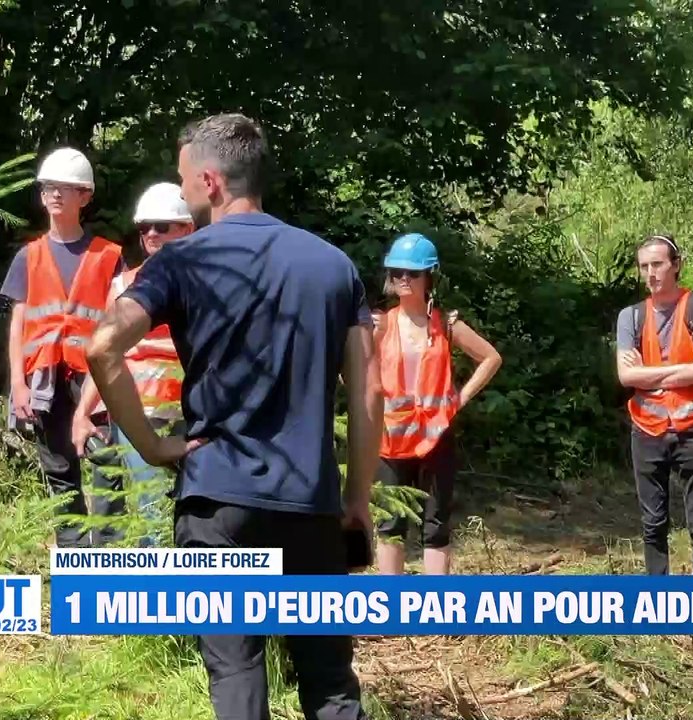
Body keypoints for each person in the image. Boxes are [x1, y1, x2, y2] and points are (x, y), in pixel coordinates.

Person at [84, 113, 379, 720]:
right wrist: (356, 497)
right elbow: (370, 393)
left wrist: (153, 446)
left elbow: (102, 346)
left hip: (217, 499)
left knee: (237, 674)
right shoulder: (332, 266)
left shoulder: (180, 262)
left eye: (185, 177)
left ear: (212, 182)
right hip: (310, 503)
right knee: (328, 678)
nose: (182, 188)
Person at [1, 146, 126, 548]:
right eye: (48, 188)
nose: (54, 195)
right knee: (58, 468)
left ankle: (108, 551)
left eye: (65, 188)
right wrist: (17, 384)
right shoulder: (29, 256)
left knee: (107, 462)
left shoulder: (109, 257)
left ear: (84, 196)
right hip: (45, 377)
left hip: (95, 378)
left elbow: (121, 322)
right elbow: (18, 325)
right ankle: (74, 551)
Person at [72, 182, 196, 546]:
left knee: (195, 510)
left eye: (161, 226)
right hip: (138, 414)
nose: (151, 235)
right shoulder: (123, 285)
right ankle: (157, 594)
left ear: (187, 227)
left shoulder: (209, 280)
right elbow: (106, 354)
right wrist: (83, 412)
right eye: (144, 228)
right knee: (152, 508)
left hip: (192, 414)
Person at [372, 233, 502, 576]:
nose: (403, 279)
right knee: (390, 524)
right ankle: (390, 611)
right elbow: (348, 374)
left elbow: (490, 358)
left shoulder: (447, 324)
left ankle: (436, 611)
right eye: (397, 272)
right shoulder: (380, 324)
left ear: (429, 277)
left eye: (411, 274)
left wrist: (461, 397)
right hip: (391, 440)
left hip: (436, 436)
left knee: (435, 525)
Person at [615, 233, 693, 576]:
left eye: (658, 264)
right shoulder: (630, 317)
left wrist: (648, 373)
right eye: (644, 266)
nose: (651, 273)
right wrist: (682, 372)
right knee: (653, 523)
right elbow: (625, 377)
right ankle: (658, 600)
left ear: (676, 265)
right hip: (646, 429)